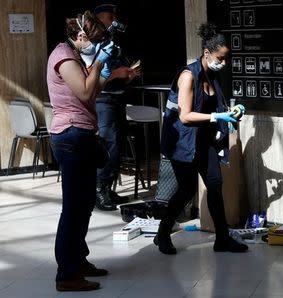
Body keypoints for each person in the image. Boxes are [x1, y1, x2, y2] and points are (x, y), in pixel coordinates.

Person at [155, 22, 248, 255]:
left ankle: (222, 239)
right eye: (220, 58)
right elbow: (185, 116)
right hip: (182, 142)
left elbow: (215, 108)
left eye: (226, 58)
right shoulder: (188, 75)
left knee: (215, 185)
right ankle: (163, 233)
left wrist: (231, 114)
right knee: (186, 190)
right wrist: (218, 116)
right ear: (207, 53)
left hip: (203, 141)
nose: (224, 63)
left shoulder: (212, 75)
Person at [47, 10, 114, 291]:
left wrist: (103, 73)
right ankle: (66, 274)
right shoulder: (63, 55)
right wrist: (98, 61)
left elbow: (92, 89)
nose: (98, 44)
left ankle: (78, 260)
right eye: (95, 39)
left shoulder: (75, 55)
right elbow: (85, 93)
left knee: (84, 204)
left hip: (82, 134)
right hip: (70, 136)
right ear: (81, 36)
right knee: (73, 208)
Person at [89, 1, 142, 211]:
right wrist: (116, 74)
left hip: (118, 97)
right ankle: (99, 190)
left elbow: (118, 72)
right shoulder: (94, 43)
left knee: (117, 145)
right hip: (104, 101)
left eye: (115, 18)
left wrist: (128, 75)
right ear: (99, 19)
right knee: (108, 144)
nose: (115, 22)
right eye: (110, 18)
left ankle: (108, 187)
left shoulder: (114, 42)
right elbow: (91, 73)